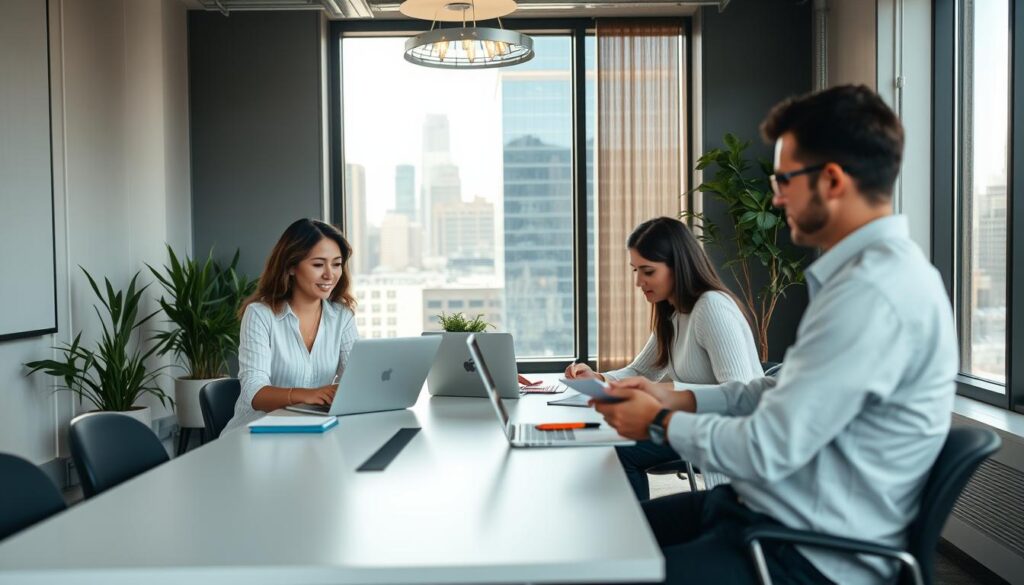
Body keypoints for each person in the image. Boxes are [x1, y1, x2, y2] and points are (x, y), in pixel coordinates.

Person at [594, 85, 956, 584]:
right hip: (761, 516)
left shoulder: (872, 296)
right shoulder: (862, 279)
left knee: (604, 569)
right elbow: (770, 389)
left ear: (830, 180)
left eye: (784, 179)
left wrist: (659, 422)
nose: (775, 195)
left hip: (799, 551)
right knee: (606, 539)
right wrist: (675, 400)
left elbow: (766, 447)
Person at [564, 217, 762, 498]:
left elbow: (739, 394)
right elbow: (643, 371)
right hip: (692, 425)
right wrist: (598, 378)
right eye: (635, 270)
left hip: (727, 436)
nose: (638, 282)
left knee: (621, 451)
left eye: (647, 271)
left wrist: (669, 392)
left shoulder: (711, 309)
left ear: (677, 266)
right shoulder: (672, 312)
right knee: (612, 440)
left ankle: (635, 532)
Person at [222, 219, 359, 433]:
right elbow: (253, 393)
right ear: (291, 266)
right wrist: (307, 395)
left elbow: (355, 380)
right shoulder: (260, 314)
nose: (330, 275)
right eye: (317, 264)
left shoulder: (342, 317)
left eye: (336, 263)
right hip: (254, 435)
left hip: (313, 431)